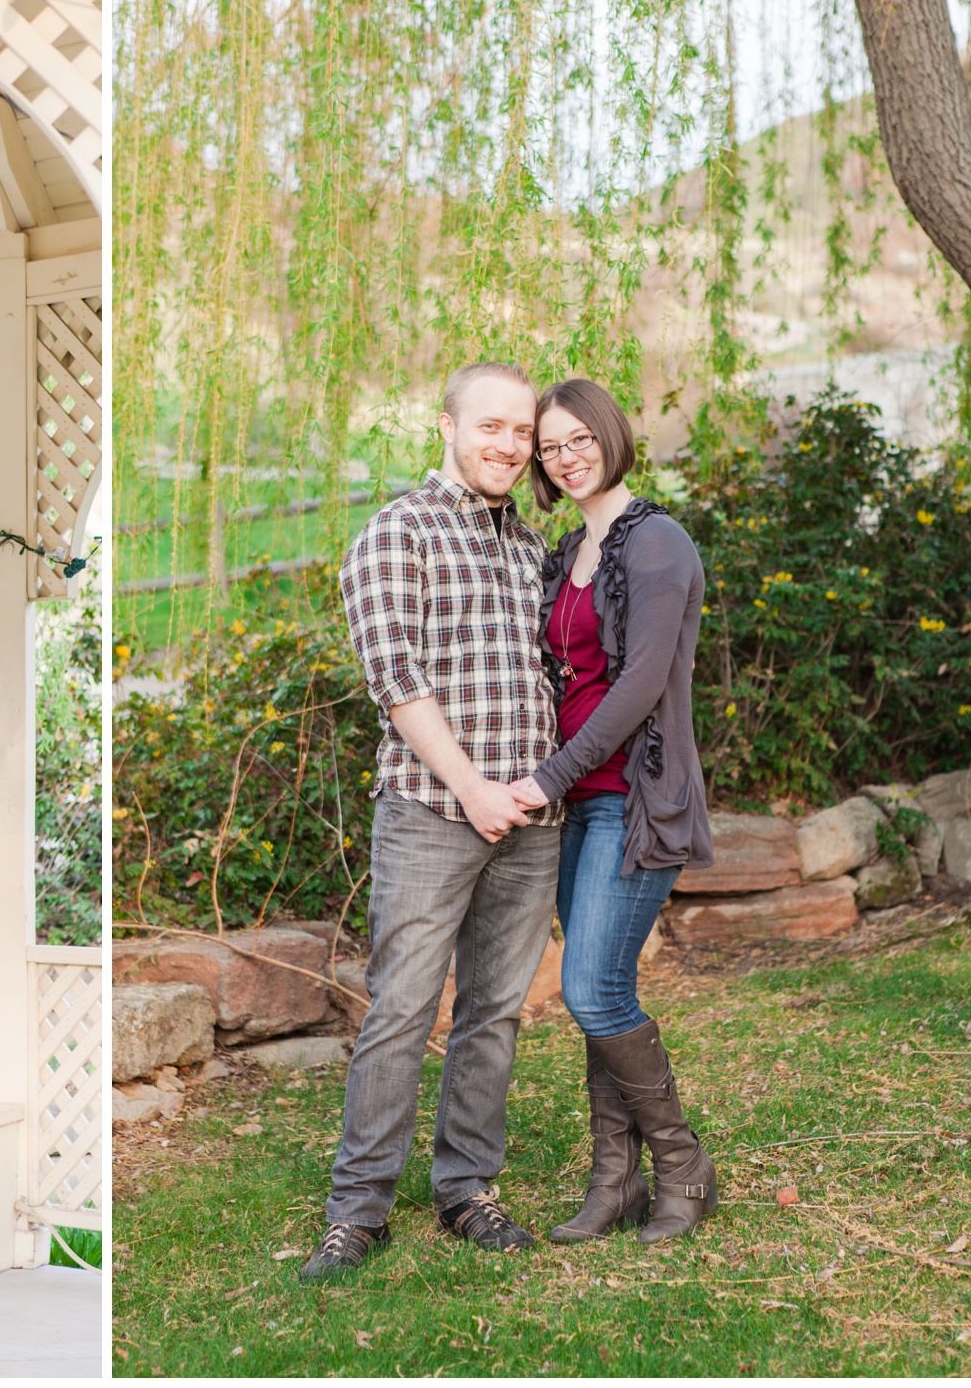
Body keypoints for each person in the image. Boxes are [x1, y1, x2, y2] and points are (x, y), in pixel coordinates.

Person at [299, 361, 563, 1282]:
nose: (507, 445)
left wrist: (532, 789)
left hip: (533, 819)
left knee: (495, 1011)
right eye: (490, 426)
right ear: (445, 425)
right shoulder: (394, 535)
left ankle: (467, 1189)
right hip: (429, 812)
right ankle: (357, 1209)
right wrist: (476, 789)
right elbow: (395, 679)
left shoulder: (534, 551)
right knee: (403, 1009)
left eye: (522, 433)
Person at [508, 376, 717, 1244]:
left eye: (577, 438)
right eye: (549, 447)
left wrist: (552, 775)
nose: (565, 455)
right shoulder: (568, 552)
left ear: (609, 434)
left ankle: (683, 1166)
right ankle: (614, 1179)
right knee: (605, 988)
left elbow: (635, 688)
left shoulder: (657, 543)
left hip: (632, 801)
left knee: (592, 989)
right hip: (576, 807)